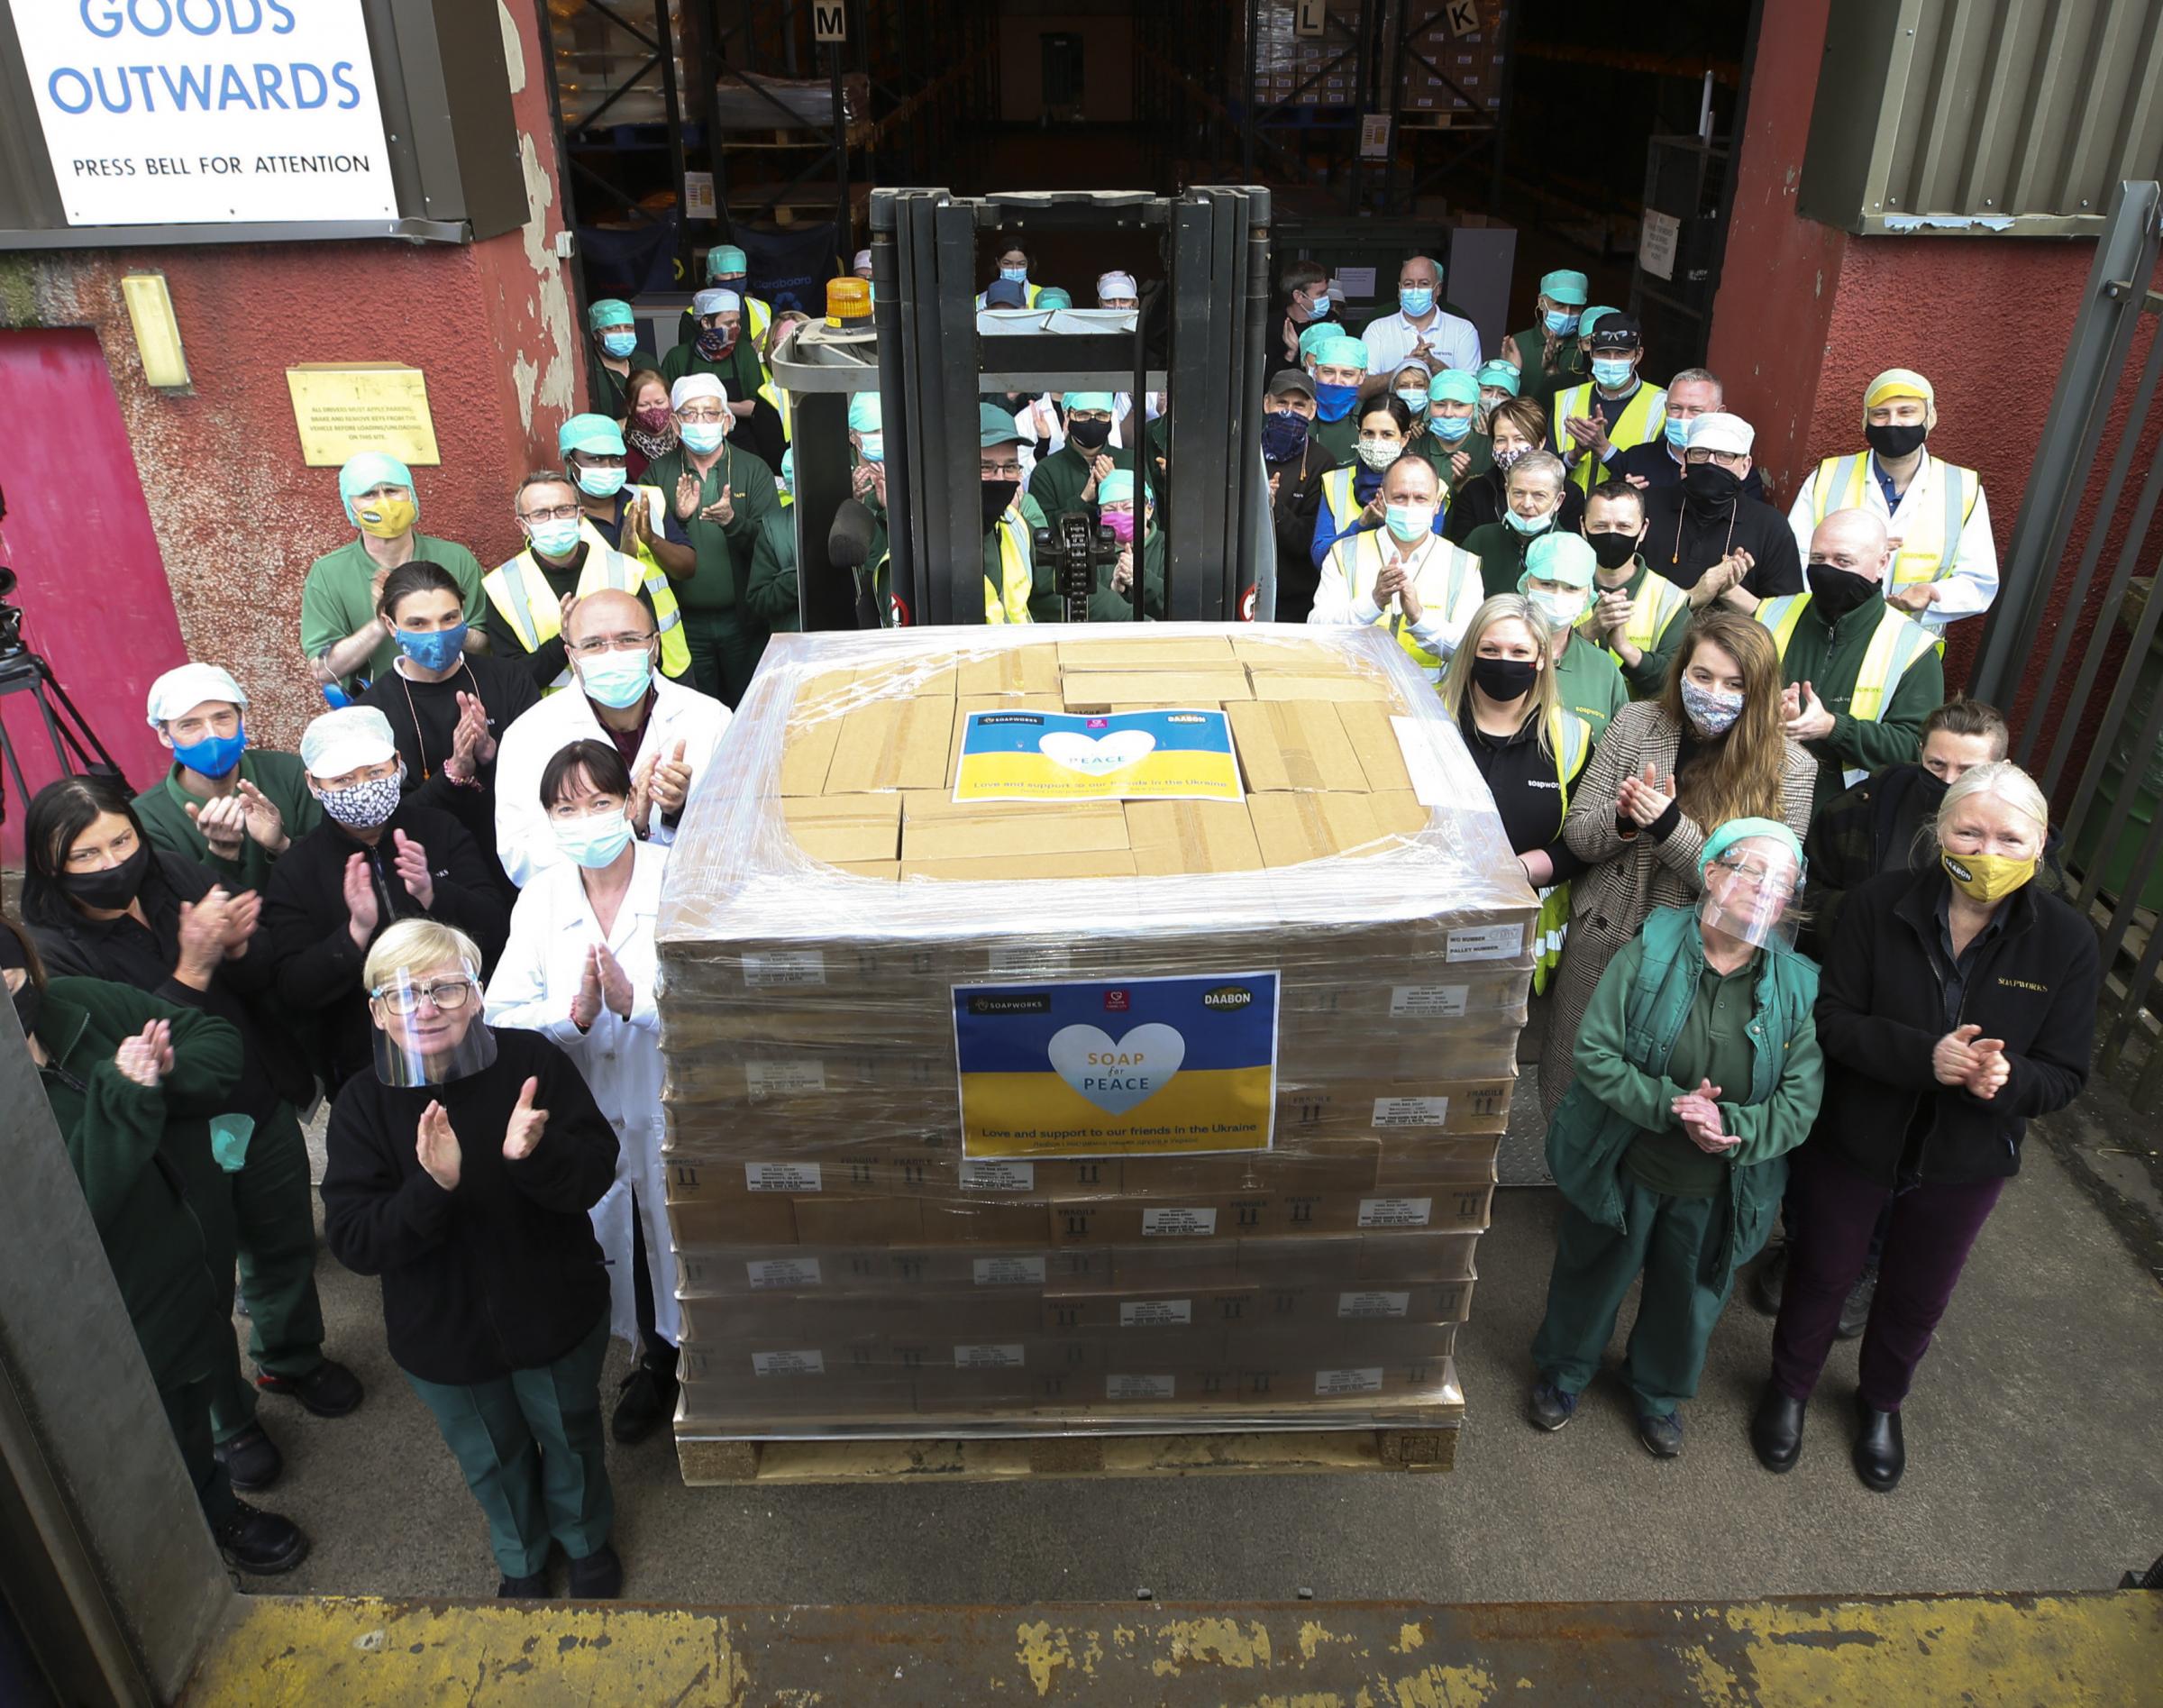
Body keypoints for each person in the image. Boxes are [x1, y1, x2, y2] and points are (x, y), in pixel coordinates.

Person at [1753, 762, 2097, 1492]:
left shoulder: (2066, 941)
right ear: (1939, 832)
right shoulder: (1877, 904)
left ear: (2040, 846)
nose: (1987, 852)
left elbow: (2065, 1072)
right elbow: (1833, 1021)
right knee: (1822, 1271)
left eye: (2010, 838)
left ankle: (1880, 1403)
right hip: (1856, 1135)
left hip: (1967, 1158)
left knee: (1917, 1292)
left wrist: (2010, 1081)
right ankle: (1789, 1388)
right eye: (1969, 831)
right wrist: (1926, 1057)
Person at [22, 776, 362, 1494]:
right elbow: (128, 1051)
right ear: (51, 865)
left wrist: (238, 946)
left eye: (120, 839)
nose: (112, 859)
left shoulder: (170, 872)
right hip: (168, 1141)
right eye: (85, 854)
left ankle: (289, 1357)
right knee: (201, 1280)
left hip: (251, 1094)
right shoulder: (50, 956)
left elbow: (261, 963)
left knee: (282, 1240)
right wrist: (193, 967)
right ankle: (227, 1418)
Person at [322, 918, 623, 1597]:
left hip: (553, 1310)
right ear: (377, 1012)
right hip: (443, 1337)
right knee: (490, 1456)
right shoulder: (362, 1106)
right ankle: (521, 1551)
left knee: (572, 1434)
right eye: (402, 993)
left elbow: (597, 1170)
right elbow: (356, 1240)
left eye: (445, 988)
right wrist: (432, 1189)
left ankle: (584, 1537)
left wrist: (535, 1154)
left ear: (479, 996)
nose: (425, 1008)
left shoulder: (532, 1064)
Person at [5, 915, 310, 1575]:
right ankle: (199, 1536)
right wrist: (122, 1096)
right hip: (111, 1319)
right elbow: (68, 1218)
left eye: (7, 971)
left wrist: (165, 1078)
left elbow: (214, 1038)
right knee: (157, 1432)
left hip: (188, 1268)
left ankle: (219, 1477)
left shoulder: (74, 1002)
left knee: (199, 1379)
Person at [1757, 698, 2053, 1335]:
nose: (1945, 779)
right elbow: (1807, 900)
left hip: (1954, 1047)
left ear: (1999, 766)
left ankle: (1868, 1265)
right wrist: (1876, 928)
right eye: (1934, 763)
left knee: (1911, 1162)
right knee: (1823, 1154)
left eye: (1965, 768)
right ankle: (1801, 1247)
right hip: (1858, 1017)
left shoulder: (2016, 846)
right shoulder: (1854, 815)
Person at [1529, 819, 1821, 1458]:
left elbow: (1799, 1104)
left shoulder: (1799, 985)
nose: (1764, 890)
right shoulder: (1652, 946)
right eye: (1750, 870)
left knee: (1688, 1298)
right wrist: (1671, 1106)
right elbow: (1597, 1051)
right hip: (1627, 1158)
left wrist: (1731, 1127)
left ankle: (1657, 1391)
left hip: (1717, 1183)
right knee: (1592, 1273)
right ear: (1711, 871)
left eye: (1783, 882)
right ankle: (1565, 1370)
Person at [1538, 609, 1817, 1119]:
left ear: (1759, 690)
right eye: (1703, 676)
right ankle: (1567, 1175)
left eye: (1735, 684)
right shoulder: (1636, 722)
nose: (1714, 692)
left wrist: (1667, 827)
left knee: (1654, 1090)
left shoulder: (1791, 769)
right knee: (1572, 1081)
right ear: (1681, 670)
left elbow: (1762, 896)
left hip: (1696, 960)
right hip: (1605, 933)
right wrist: (1624, 820)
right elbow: (1578, 836)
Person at [485, 741, 676, 1441]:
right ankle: (652, 1364)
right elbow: (501, 1015)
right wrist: (574, 1017)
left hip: (671, 1101)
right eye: (566, 808)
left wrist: (640, 1003)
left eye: (599, 801)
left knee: (681, 1232)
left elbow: (723, 991)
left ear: (630, 801)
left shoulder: (676, 874)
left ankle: (704, 1365)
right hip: (588, 1109)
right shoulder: (540, 899)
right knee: (618, 1241)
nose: (585, 818)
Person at [265, 707, 511, 1091]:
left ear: (398, 764)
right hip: (369, 1068)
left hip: (471, 1041)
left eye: (374, 772)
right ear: (313, 784)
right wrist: (354, 934)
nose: (362, 787)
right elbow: (294, 989)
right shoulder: (296, 870)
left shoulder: (439, 829)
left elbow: (497, 928)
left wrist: (433, 893)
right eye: (343, 779)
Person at [492, 589, 734, 887]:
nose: (612, 654)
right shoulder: (528, 735)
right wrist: (621, 831)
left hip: (689, 902)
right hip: (582, 917)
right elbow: (520, 858)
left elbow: (737, 836)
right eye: (593, 644)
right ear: (571, 656)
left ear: (655, 646)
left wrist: (677, 812)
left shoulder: (711, 718)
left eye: (628, 639)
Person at [1437, 595, 1593, 990]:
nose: (1503, 661)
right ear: (1471, 652)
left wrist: (1519, 872)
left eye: (1518, 651)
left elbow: (1584, 841)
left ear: (1542, 658)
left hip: (1521, 945)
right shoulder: (1427, 719)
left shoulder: (1571, 739)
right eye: (1490, 649)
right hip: (1432, 923)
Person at [360, 562, 542, 893]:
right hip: (432, 877)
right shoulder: (371, 711)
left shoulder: (509, 679)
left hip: (521, 860)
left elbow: (545, 778)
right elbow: (389, 819)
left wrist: (492, 755)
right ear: (390, 624)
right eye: (418, 623)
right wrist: (454, 773)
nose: (437, 633)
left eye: (449, 618)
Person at [1784, 369, 1996, 636]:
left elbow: (1980, 580)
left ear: (1930, 418)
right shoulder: (1827, 476)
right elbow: (1793, 557)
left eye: (1906, 412)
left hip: (1910, 643)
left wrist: (1933, 594)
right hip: (1827, 630)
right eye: (1880, 414)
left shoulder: (1962, 488)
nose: (1892, 423)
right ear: (1865, 421)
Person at [1759, 507, 1945, 814]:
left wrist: (1832, 728)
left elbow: (1917, 749)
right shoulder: (1770, 614)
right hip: (1752, 796)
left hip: (1842, 821)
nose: (1826, 570)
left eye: (1843, 561)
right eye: (1818, 559)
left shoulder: (1914, 649)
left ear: (1882, 563)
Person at [638, 374, 781, 705]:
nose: (700, 421)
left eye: (710, 413)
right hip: (684, 625)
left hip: (743, 623)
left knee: (750, 705)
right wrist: (680, 520)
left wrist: (733, 522)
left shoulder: (753, 470)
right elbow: (644, 548)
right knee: (695, 710)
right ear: (675, 423)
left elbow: (772, 545)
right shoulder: (657, 475)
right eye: (690, 414)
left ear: (727, 422)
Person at [480, 472, 689, 695]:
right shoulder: (501, 587)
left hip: (623, 706)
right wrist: (563, 640)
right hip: (549, 718)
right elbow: (512, 680)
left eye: (564, 510)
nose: (554, 520)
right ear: (523, 525)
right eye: (540, 514)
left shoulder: (626, 570)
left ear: (580, 515)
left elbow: (651, 656)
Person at [301, 455, 487, 697]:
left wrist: (440, 626)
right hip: (377, 707)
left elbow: (484, 644)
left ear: (411, 495)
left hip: (459, 695)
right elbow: (323, 670)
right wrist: (381, 624)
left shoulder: (456, 558)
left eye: (392, 490)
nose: (384, 503)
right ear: (351, 506)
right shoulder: (328, 573)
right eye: (369, 494)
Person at [134, 663, 320, 895]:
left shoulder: (289, 772)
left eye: (222, 718)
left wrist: (281, 845)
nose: (211, 735)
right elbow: (179, 912)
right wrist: (221, 855)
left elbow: (330, 869)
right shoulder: (147, 818)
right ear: (165, 736)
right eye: (190, 725)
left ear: (241, 720)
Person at [1309, 454, 1482, 680]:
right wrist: (1373, 603)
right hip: (1358, 697)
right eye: (1400, 497)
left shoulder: (1463, 564)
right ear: (1382, 499)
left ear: (1437, 504)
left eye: (1420, 498)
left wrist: (1419, 618)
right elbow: (1317, 630)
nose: (1410, 506)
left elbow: (1472, 648)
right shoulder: (1344, 552)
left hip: (1434, 705)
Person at [1640, 413, 1802, 611]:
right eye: (1700, 453)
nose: (1711, 464)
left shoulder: (1770, 526)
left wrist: (1729, 591)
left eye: (1725, 456)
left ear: (1745, 466)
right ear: (1685, 460)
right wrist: (1697, 594)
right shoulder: (1646, 506)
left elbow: (1783, 618)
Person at [562, 412, 697, 595]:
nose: (608, 466)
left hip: (660, 623)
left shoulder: (648, 498)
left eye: (616, 458)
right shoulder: (558, 516)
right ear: (571, 462)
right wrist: (623, 559)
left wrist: (651, 539)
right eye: (595, 459)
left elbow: (687, 569)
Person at [1581, 481, 1692, 699]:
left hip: (1639, 727)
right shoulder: (1556, 584)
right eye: (1601, 526)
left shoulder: (1670, 599)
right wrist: (1588, 631)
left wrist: (1625, 648)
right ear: (1583, 528)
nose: (1612, 535)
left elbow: (1676, 682)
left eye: (1624, 527)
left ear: (1643, 530)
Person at [661, 288, 784, 474]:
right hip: (691, 446)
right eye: (728, 323)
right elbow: (667, 408)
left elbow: (755, 406)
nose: (735, 329)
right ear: (706, 323)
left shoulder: (744, 353)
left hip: (742, 445)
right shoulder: (677, 358)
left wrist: (712, 407)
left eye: (737, 322)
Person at [1518, 533, 1627, 739]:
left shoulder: (1602, 669)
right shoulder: (1497, 651)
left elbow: (1621, 749)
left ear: (1588, 595)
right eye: (1547, 584)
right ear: (1526, 583)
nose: (1558, 595)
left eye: (1572, 588)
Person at [1550, 314, 1668, 496]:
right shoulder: (1566, 399)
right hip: (1567, 514)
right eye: (1603, 353)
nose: (1612, 360)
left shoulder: (1663, 405)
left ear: (1638, 355)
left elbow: (1659, 478)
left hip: (1623, 519)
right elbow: (1543, 468)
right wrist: (1573, 456)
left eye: (1621, 353)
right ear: (1591, 354)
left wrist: (1604, 449)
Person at [1608, 369, 1767, 499]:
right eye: (1676, 408)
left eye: (1695, 411)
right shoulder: (1635, 459)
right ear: (1666, 407)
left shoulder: (1735, 469)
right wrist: (1624, 501)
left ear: (1719, 413)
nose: (1683, 418)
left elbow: (1747, 525)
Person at [1446, 397, 1583, 543]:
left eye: (1519, 439)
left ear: (1540, 442)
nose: (1509, 448)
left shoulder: (1570, 494)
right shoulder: (1474, 492)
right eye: (1501, 440)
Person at [1311, 397, 1420, 568]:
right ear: (1359, 434)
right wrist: (1361, 525)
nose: (1376, 442)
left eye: (1387, 434)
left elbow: (1426, 562)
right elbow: (1320, 558)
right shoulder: (1336, 482)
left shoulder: (1428, 488)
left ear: (1405, 438)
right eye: (1368, 433)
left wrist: (1390, 525)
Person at [1264, 369, 1336, 623]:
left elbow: (1308, 539)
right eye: (1281, 403)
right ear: (1266, 403)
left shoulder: (1322, 462)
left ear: (1312, 410)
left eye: (1298, 405)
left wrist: (1273, 507)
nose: (1288, 412)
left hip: (1296, 599)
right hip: (1243, 588)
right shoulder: (1244, 450)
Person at [1459, 448, 1573, 597]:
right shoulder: (1480, 540)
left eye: (1539, 495)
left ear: (1558, 500)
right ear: (1507, 491)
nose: (1526, 504)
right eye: (1518, 493)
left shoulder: (1570, 552)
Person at [1357, 254, 1480, 389]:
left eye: (1424, 284)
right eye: (1408, 284)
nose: (1415, 289)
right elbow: (1362, 389)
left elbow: (1472, 389)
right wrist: (1401, 371)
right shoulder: (1377, 330)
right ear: (1399, 289)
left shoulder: (1463, 330)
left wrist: (1434, 365)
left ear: (1438, 289)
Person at [978, 405, 1052, 624]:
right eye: (986, 467)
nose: (1000, 478)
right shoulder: (926, 549)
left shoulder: (1016, 526)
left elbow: (1050, 593)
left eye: (1010, 468)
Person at [1027, 390, 1126, 523]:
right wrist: (1082, 500)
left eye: (1101, 415)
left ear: (1111, 417)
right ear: (1067, 416)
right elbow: (1039, 528)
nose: (1092, 421)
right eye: (1083, 415)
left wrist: (1114, 489)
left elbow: (1149, 523)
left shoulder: (1131, 463)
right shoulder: (1046, 471)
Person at [1500, 269, 1590, 405]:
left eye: (1575, 307)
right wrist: (1509, 374)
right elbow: (1500, 399)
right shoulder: (1519, 344)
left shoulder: (1586, 349)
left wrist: (1554, 374)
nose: (1567, 313)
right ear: (1541, 303)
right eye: (1560, 305)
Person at [1090, 470, 1166, 620]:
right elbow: (1086, 609)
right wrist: (1114, 590)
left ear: (1149, 509)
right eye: (1110, 509)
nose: (1119, 515)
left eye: (1128, 508)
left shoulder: (1169, 547)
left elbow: (1182, 603)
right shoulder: (1091, 552)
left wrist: (1141, 580)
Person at [1419, 369, 1490, 491]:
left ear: (1474, 410)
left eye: (1459, 405)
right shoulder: (1413, 450)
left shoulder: (1490, 451)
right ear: (1429, 408)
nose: (1448, 413)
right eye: (1440, 404)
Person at [1306, 334, 1371, 464]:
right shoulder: (1300, 414)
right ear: (1315, 372)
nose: (1336, 382)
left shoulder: (1370, 419)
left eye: (1347, 374)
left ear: (1362, 376)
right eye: (1328, 372)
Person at [1272, 259, 1338, 376]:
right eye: (1320, 294)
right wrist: (1291, 353)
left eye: (1326, 292)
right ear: (1298, 296)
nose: (1326, 297)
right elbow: (1265, 380)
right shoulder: (1273, 326)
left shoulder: (1331, 321)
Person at [619, 369, 676, 485]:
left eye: (660, 402)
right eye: (644, 405)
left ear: (670, 401)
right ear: (630, 408)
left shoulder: (686, 439)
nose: (654, 410)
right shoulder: (623, 452)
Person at [585, 298, 641, 416]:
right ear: (595, 334)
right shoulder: (588, 372)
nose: (623, 334)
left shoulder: (646, 362)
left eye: (628, 328)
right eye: (612, 328)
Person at [976, 242, 1045, 308]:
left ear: (1028, 263)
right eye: (1007, 263)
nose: (1014, 269)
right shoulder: (980, 300)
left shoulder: (1042, 295)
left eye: (1021, 264)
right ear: (998, 262)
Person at [1475, 358, 1521, 432]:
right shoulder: (1460, 423)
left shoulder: (1517, 431)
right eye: (1487, 390)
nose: (1494, 398)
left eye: (1503, 394)